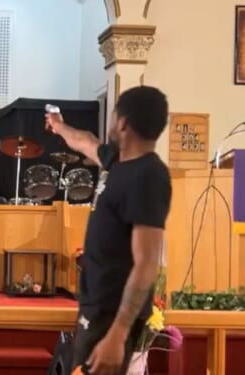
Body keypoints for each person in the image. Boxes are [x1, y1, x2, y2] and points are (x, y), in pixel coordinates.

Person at [45, 86, 171, 375]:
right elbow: (85, 142)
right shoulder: (118, 161)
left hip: (112, 314)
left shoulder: (148, 176)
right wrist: (59, 125)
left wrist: (118, 334)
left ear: (122, 123)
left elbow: (147, 262)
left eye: (114, 116)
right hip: (96, 304)